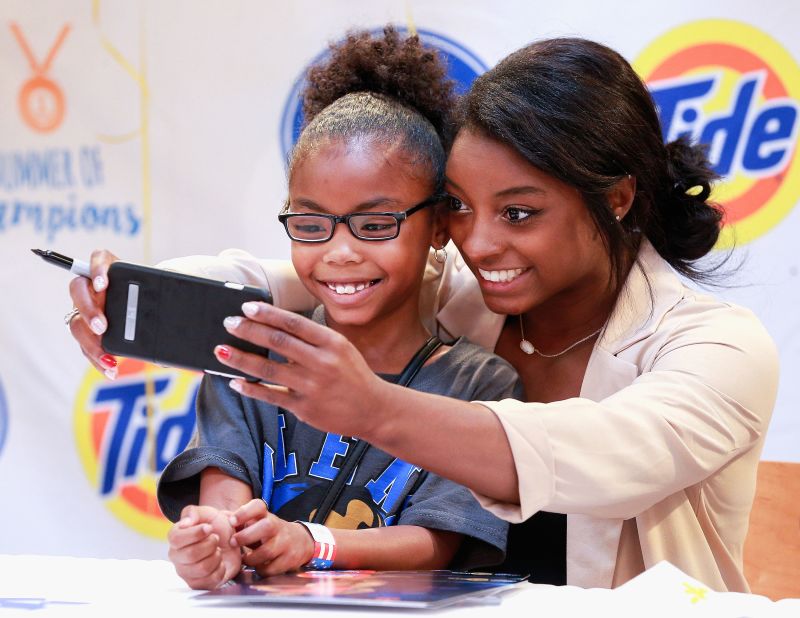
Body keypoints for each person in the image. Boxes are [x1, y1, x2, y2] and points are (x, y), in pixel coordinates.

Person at [67, 38, 779, 592]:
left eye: (519, 213)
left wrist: (372, 408)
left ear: (618, 199)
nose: (480, 241)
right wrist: (122, 294)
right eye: (461, 208)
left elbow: (601, 454)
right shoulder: (456, 288)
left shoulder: (718, 348)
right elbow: (278, 277)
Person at [151, 28, 518, 590]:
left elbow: (437, 541)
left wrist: (312, 543)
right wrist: (213, 541)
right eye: (310, 224)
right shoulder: (249, 355)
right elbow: (224, 496)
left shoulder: (480, 383)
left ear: (440, 225)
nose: (340, 252)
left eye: (376, 225)